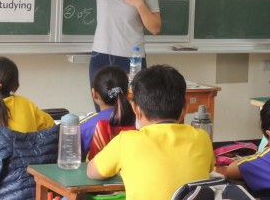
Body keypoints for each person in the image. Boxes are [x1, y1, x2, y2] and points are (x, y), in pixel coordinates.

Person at [29, 0, 161, 111]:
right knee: (103, 114)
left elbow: (155, 28)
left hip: (132, 61)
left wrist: (139, 4)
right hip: (101, 58)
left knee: (132, 113)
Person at [86, 65, 215, 200]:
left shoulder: (126, 141)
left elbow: (92, 171)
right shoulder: (202, 138)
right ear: (185, 109)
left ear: (136, 109)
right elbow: (209, 169)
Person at [80, 65, 135, 161]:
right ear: (127, 93)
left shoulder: (86, 126)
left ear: (94, 93)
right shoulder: (140, 121)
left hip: (94, 173)